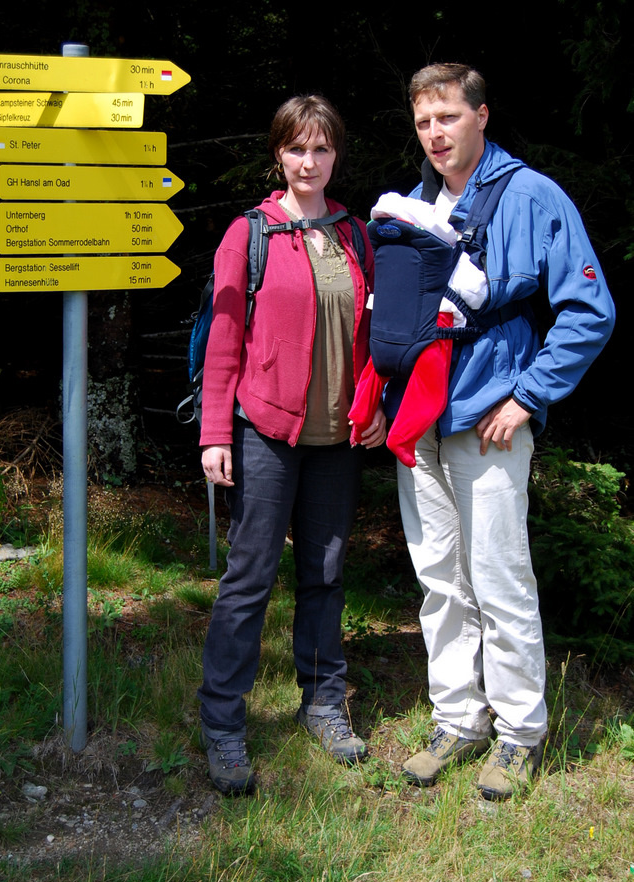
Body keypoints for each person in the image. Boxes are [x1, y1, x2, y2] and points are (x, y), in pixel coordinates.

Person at [383, 64, 615, 800]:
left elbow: (588, 309)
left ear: (481, 116)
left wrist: (527, 396)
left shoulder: (530, 195)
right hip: (418, 418)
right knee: (438, 580)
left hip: (489, 416)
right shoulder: (412, 202)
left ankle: (518, 732)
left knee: (498, 577)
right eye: (423, 122)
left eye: (447, 117)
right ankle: (457, 718)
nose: (434, 133)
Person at [197, 94, 386, 794]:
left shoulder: (355, 235)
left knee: (326, 574)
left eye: (322, 148)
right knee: (248, 579)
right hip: (263, 430)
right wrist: (214, 432)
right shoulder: (248, 235)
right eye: (297, 148)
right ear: (278, 153)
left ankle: (323, 704)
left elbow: (375, 335)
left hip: (337, 435)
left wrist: (374, 405)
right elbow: (224, 340)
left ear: (336, 155)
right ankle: (223, 723)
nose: (309, 161)